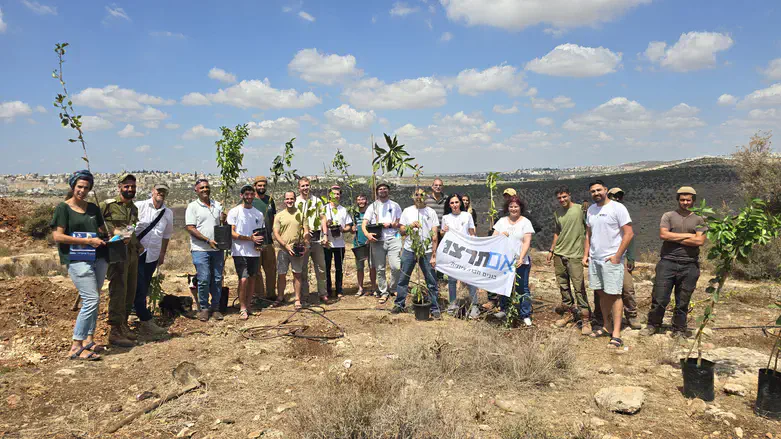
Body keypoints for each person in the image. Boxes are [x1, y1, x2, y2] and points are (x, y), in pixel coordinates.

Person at [51, 170, 108, 360]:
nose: (82, 191)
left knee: (94, 299)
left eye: (86, 187)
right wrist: (87, 241)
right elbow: (58, 236)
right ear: (73, 187)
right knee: (91, 299)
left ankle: (88, 341)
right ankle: (76, 345)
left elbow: (101, 232)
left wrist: (116, 235)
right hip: (77, 259)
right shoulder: (63, 208)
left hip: (98, 258)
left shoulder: (93, 209)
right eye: (79, 187)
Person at [642, 187, 707, 338]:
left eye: (688, 200)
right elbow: (663, 234)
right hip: (668, 261)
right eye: (682, 199)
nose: (685, 202)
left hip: (690, 263)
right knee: (660, 297)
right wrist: (688, 236)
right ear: (678, 200)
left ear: (693, 201)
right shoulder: (669, 216)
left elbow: (700, 240)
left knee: (683, 300)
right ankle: (653, 324)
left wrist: (675, 236)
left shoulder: (699, 218)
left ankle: (679, 329)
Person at [582, 180, 634, 348]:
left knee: (615, 294)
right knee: (602, 294)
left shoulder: (618, 208)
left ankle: (617, 334)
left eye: (599, 190)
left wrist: (618, 256)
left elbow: (629, 233)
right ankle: (607, 326)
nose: (596, 193)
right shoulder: (591, 210)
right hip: (595, 259)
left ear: (605, 190)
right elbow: (589, 234)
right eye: (593, 191)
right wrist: (586, 255)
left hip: (611, 259)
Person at [100, 173, 140, 347]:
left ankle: (123, 325)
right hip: (116, 253)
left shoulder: (133, 208)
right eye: (126, 186)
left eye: (132, 186)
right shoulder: (107, 206)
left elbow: (130, 229)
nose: (130, 189)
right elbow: (96, 223)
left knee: (130, 290)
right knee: (118, 290)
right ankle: (115, 331)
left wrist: (137, 244)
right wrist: (112, 232)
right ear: (119, 187)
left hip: (131, 253)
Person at [547, 186, 591, 334]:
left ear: (570, 195)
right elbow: (557, 232)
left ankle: (585, 319)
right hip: (559, 253)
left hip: (575, 254)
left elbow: (589, 231)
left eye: (564, 197)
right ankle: (569, 313)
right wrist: (552, 250)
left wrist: (587, 253)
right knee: (563, 286)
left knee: (579, 287)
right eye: (559, 198)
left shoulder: (580, 210)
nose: (562, 200)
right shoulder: (557, 213)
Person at [595, 187, 640, 330]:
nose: (616, 198)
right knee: (601, 289)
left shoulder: (621, 211)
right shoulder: (599, 211)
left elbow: (630, 237)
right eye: (613, 195)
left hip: (621, 256)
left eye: (619, 196)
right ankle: (601, 316)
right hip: (603, 256)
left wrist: (631, 258)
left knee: (627, 288)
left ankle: (631, 315)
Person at [393, 188, 441, 318]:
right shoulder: (407, 211)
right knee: (403, 279)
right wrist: (410, 227)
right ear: (413, 196)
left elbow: (434, 234)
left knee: (431, 280)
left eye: (421, 195)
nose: (419, 197)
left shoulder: (431, 212)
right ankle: (399, 304)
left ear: (425, 196)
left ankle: (435, 308)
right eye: (416, 195)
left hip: (426, 250)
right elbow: (402, 231)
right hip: (409, 249)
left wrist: (434, 254)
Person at [133, 183, 173, 336]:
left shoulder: (167, 213)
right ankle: (145, 320)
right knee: (138, 287)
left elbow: (166, 235)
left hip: (152, 255)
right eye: (159, 190)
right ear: (153, 191)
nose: (161, 194)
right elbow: (128, 230)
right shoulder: (140, 206)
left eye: (164, 191)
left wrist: (162, 253)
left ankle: (139, 316)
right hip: (136, 254)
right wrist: (136, 245)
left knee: (144, 286)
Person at [185, 178, 225, 322]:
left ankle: (215, 308)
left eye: (207, 187)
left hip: (217, 250)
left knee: (217, 279)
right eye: (201, 188)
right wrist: (207, 240)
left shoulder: (217, 205)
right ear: (196, 190)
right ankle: (204, 308)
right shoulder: (192, 207)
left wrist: (224, 219)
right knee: (203, 279)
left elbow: (222, 225)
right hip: (200, 249)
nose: (205, 190)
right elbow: (190, 227)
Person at [492, 195, 535, 326]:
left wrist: (521, 257)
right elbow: (493, 237)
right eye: (511, 206)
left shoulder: (525, 222)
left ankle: (525, 314)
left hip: (520, 260)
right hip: (505, 261)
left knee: (522, 288)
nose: (513, 209)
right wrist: (500, 235)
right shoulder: (502, 221)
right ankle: (504, 309)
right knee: (505, 286)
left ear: (520, 207)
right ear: (507, 208)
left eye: (516, 206)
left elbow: (527, 241)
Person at [227, 185, 266, 320]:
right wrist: (249, 238)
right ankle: (242, 307)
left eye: (251, 194)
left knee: (252, 278)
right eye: (246, 194)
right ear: (241, 196)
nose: (249, 197)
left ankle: (248, 305)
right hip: (239, 251)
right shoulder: (234, 212)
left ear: (254, 196)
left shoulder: (258, 214)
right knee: (243, 279)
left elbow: (261, 233)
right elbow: (231, 232)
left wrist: (260, 244)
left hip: (254, 252)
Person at [362, 182, 403, 304]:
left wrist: (390, 224)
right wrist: (367, 234)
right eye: (380, 189)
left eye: (385, 188)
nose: (382, 190)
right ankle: (383, 291)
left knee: (396, 266)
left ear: (388, 191)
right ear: (377, 192)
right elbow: (364, 223)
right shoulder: (373, 207)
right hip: (377, 241)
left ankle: (393, 287)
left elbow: (400, 222)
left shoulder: (395, 206)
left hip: (393, 238)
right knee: (380, 268)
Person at [441, 193, 479, 319]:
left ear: (460, 203)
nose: (454, 205)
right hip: (452, 252)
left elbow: (472, 232)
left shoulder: (467, 215)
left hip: (466, 251)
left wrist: (474, 248)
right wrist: (443, 231)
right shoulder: (446, 217)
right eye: (452, 203)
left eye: (456, 202)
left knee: (470, 278)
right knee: (452, 279)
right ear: (449, 205)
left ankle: (474, 305)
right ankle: (453, 303)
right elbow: (442, 234)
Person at [295, 177, 329, 302]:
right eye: (303, 186)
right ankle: (304, 294)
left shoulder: (317, 201)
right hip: (303, 240)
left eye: (307, 185)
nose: (305, 188)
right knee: (302, 268)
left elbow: (322, 218)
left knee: (321, 267)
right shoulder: (296, 202)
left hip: (316, 237)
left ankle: (322, 293)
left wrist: (325, 235)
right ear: (299, 188)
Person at [274, 191, 309, 310]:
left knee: (297, 274)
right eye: (287, 199)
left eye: (291, 198)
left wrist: (305, 244)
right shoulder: (279, 215)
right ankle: (280, 297)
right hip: (283, 250)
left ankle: (297, 299)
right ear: (284, 200)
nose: (289, 201)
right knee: (281, 274)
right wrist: (285, 245)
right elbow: (276, 233)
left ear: (295, 199)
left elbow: (306, 231)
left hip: (297, 249)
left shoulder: (301, 214)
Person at [252, 176, 278, 306]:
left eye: (264, 185)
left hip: (268, 241)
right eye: (259, 185)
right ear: (255, 186)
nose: (261, 188)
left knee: (271, 269)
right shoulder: (250, 200)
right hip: (255, 242)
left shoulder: (270, 200)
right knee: (256, 271)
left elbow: (273, 217)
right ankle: (259, 296)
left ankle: (271, 295)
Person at [324, 186, 353, 298]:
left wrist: (342, 229)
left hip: (339, 243)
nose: (336, 196)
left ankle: (339, 289)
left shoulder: (343, 210)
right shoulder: (324, 209)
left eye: (338, 194)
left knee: (339, 267)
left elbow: (348, 226)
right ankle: (328, 289)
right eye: (334, 194)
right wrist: (326, 224)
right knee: (326, 267)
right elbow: (319, 225)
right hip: (327, 243)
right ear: (329, 195)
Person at [352, 194, 377, 296]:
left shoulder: (370, 213)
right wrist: (352, 229)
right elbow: (351, 228)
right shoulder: (355, 214)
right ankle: (360, 288)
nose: (360, 201)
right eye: (358, 199)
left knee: (372, 267)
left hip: (370, 243)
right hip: (358, 244)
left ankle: (373, 288)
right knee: (359, 268)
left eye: (362, 199)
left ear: (366, 201)